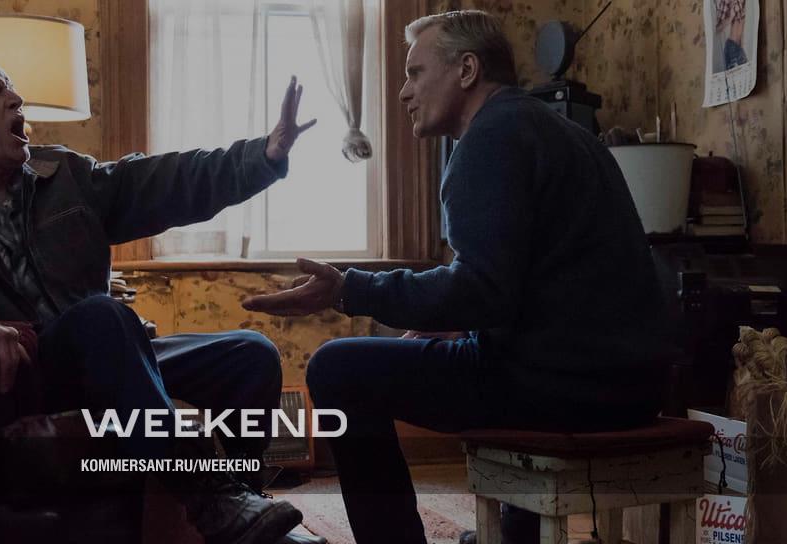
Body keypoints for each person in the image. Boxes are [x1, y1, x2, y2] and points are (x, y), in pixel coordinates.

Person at [0, 43, 317, 544]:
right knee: (101, 316)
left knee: (249, 355)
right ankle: (210, 498)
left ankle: (244, 512)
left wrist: (263, 155)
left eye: (13, 89)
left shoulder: (64, 175)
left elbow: (166, 181)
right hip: (27, 372)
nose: (17, 99)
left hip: (105, 355)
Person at [243, 10, 669, 544]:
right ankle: (515, 535)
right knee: (460, 348)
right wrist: (459, 324)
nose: (404, 91)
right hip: (631, 385)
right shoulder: (560, 132)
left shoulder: (489, 139)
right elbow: (537, 282)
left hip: (565, 388)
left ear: (467, 70)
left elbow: (481, 291)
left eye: (415, 72)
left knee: (337, 367)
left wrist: (350, 288)